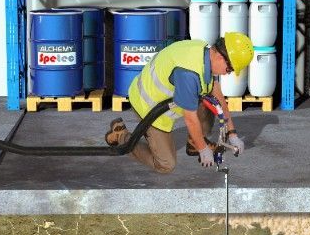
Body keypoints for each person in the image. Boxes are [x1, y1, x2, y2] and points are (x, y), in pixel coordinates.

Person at [105, 32, 252, 173]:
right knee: (166, 164)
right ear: (220, 57)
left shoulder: (206, 53)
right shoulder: (189, 74)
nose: (228, 73)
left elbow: (218, 99)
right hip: (148, 106)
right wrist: (203, 148)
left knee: (209, 100)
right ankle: (121, 136)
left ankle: (194, 142)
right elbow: (190, 118)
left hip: (167, 98)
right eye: (230, 69)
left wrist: (232, 133)